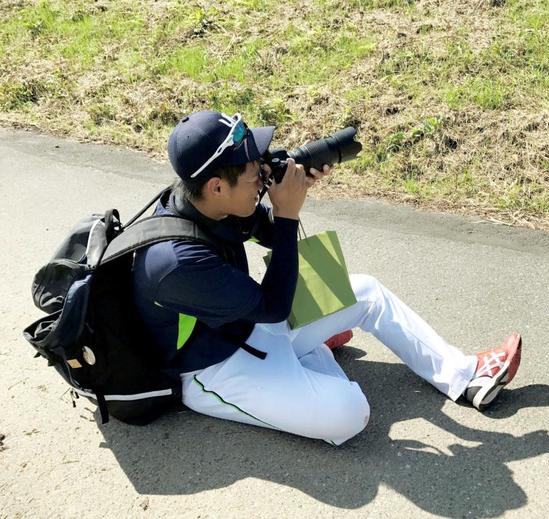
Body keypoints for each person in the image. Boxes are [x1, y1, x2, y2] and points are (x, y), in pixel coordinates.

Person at [131, 110, 522, 445]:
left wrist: (281, 191)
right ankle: (308, 354)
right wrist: (287, 214)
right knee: (350, 414)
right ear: (218, 186)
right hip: (215, 370)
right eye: (254, 172)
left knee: (366, 291)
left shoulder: (207, 201)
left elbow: (267, 236)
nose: (261, 176)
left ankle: (466, 376)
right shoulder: (176, 262)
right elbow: (273, 306)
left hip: (246, 326)